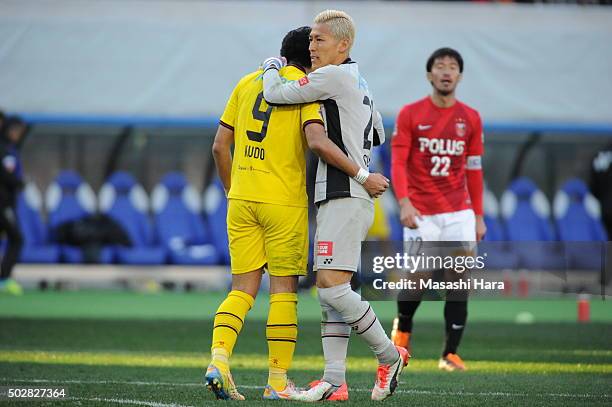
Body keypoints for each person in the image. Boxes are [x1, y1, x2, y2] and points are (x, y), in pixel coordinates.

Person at [205, 26, 387, 401]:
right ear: (309, 57)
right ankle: (276, 381)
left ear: (282, 55)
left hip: (241, 197)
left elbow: (220, 147)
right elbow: (317, 140)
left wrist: (230, 189)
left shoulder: (245, 83)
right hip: (283, 201)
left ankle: (219, 361)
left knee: (241, 289)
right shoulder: (308, 89)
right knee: (284, 292)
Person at [262, 10, 409, 402]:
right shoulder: (358, 79)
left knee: (330, 287)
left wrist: (273, 65)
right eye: (310, 41)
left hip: (346, 192)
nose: (311, 48)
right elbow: (377, 132)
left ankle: (389, 354)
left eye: (319, 40)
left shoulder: (333, 75)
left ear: (343, 45)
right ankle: (333, 380)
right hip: (341, 194)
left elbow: (275, 93)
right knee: (333, 287)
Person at [390, 47, 486, 372]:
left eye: (453, 66)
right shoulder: (410, 114)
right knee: (418, 277)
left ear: (459, 75)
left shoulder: (471, 117)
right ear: (429, 74)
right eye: (440, 66)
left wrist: (479, 216)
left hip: (459, 210)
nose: (446, 71)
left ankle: (450, 353)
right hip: (420, 210)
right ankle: (403, 329)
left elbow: (474, 169)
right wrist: (403, 202)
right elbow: (398, 163)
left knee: (459, 279)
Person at [0, 115, 26, 296]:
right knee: (17, 238)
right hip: (3, 203)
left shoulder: (9, 148)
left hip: (6, 202)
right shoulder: (5, 150)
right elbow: (7, 176)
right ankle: (4, 278)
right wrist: (20, 183)